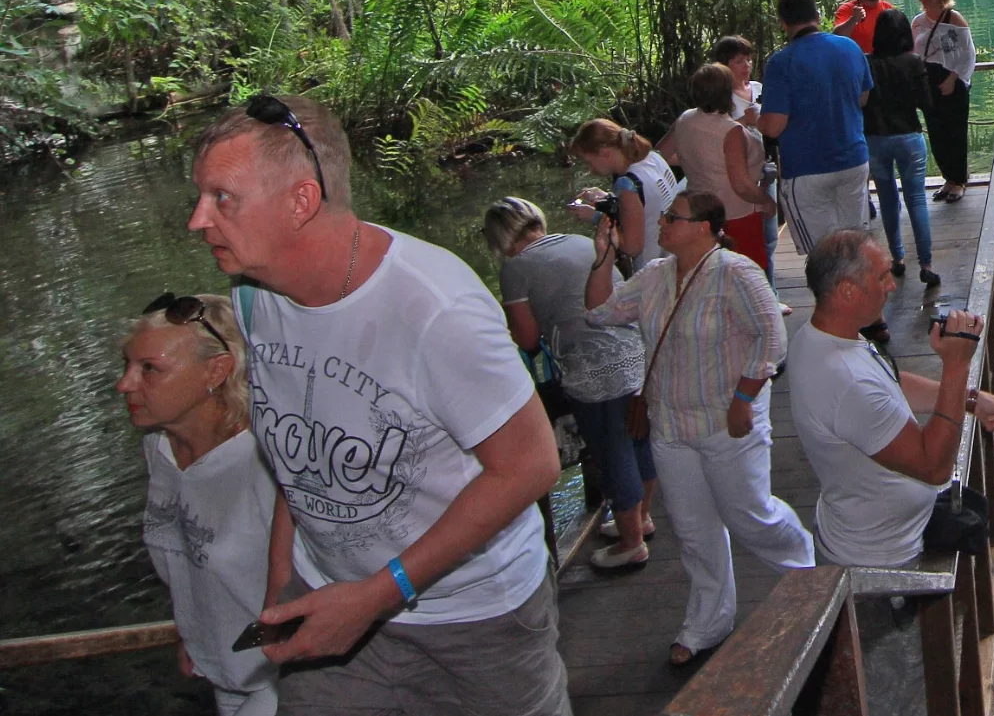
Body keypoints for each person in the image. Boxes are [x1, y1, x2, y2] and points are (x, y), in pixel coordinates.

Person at [187, 95, 566, 715]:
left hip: (474, 619)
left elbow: (530, 465)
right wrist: (284, 580)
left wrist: (378, 593)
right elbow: (296, 451)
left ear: (301, 201)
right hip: (329, 598)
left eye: (221, 198)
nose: (197, 220)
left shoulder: (435, 309)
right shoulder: (255, 298)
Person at [584, 190, 812, 664]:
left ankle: (810, 574)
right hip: (670, 424)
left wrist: (745, 396)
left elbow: (773, 338)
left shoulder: (736, 272)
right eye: (665, 216)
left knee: (749, 513)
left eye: (672, 218)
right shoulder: (653, 276)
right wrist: (603, 258)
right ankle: (706, 621)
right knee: (692, 529)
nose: (662, 223)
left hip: (725, 419)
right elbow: (599, 313)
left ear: (705, 227)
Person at [787, 230, 994, 568]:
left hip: (871, 529)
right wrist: (956, 365)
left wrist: (973, 401)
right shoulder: (846, 381)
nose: (892, 285)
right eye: (881, 277)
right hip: (881, 555)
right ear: (847, 290)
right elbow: (933, 467)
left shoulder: (825, 337)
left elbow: (891, 384)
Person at [122, 292, 278, 716]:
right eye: (128, 365)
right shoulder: (159, 448)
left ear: (217, 369)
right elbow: (188, 555)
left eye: (149, 369)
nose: (125, 384)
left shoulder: (267, 461)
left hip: (284, 680)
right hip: (219, 673)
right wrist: (191, 633)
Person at [484, 197, 656, 571]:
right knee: (638, 439)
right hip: (637, 353)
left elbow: (527, 339)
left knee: (612, 453)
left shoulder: (516, 267)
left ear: (498, 237)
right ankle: (641, 518)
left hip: (594, 369)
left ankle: (631, 543)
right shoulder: (580, 241)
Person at [757, 0, 874, 254]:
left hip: (807, 169)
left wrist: (757, 120)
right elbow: (863, 98)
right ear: (817, 15)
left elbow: (773, 126)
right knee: (856, 247)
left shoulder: (781, 62)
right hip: (853, 160)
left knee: (823, 255)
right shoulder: (850, 47)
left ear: (783, 23)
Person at [666, 65, 776, 281]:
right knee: (745, 278)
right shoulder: (730, 131)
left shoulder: (685, 119)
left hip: (699, 209)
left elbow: (663, 153)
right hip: (737, 214)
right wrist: (767, 201)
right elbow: (741, 185)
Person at [864, 8, 938, 286]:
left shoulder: (866, 63)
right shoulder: (913, 61)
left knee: (887, 199)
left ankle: (898, 258)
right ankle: (927, 264)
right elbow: (926, 103)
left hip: (875, 139)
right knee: (916, 199)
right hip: (908, 136)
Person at [571, 118, 679, 269]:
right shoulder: (653, 157)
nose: (590, 169)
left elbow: (632, 247)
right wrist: (606, 198)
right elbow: (647, 206)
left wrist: (596, 217)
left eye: (589, 162)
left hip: (651, 271)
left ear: (605, 153)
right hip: (673, 256)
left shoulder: (628, 186)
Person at [913, 0, 977, 201]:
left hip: (952, 79)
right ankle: (948, 178)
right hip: (927, 80)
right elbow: (913, 52)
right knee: (936, 133)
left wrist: (954, 78)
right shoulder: (918, 21)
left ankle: (959, 180)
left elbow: (968, 53)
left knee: (955, 131)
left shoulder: (954, 18)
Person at [707, 35, 763, 121]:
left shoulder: (759, 88)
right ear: (724, 65)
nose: (747, 65)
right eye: (739, 61)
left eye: (749, 60)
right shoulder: (720, 97)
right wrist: (745, 120)